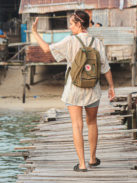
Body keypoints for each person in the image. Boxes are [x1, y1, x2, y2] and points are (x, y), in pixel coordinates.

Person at [31, 10, 115, 172]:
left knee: (77, 125)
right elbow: (106, 68)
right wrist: (111, 87)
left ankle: (82, 164)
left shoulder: (70, 41)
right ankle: (92, 158)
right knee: (92, 123)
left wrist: (35, 32)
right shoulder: (97, 42)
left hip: (74, 89)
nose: (69, 26)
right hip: (93, 89)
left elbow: (47, 50)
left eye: (71, 23)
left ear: (78, 24)